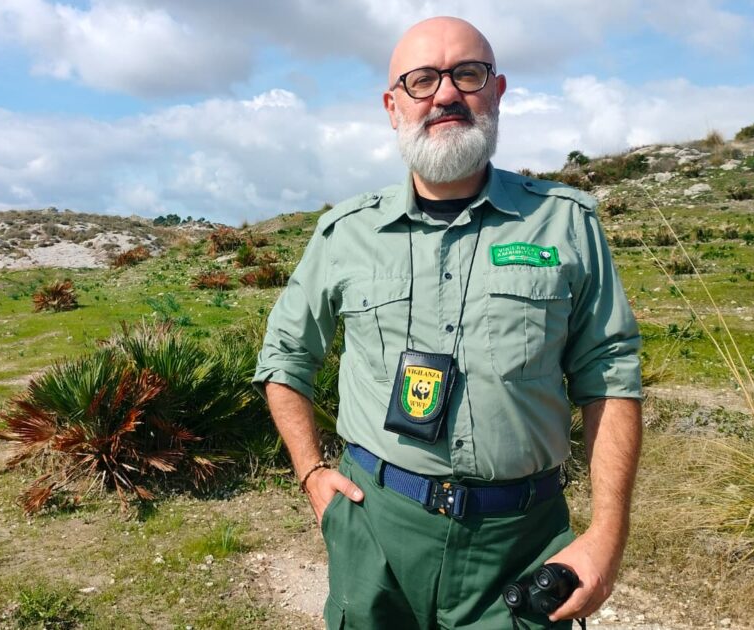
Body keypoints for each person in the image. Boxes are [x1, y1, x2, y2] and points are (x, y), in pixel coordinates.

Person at [252, 16, 643, 630]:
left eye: (468, 74)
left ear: (497, 90)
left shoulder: (566, 223)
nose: (445, 94)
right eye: (422, 80)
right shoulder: (344, 232)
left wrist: (607, 534)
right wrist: (311, 473)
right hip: (375, 527)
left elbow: (611, 377)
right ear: (392, 106)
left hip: (521, 540)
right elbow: (284, 357)